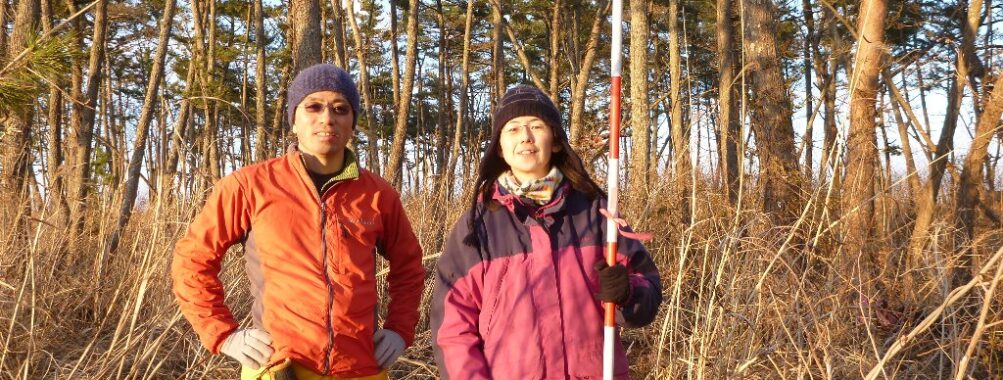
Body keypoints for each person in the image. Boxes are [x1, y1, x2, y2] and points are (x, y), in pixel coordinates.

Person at [172, 63, 426, 380]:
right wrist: (223, 334)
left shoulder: (378, 194)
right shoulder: (249, 187)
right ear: (294, 119)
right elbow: (193, 260)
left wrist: (399, 330)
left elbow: (410, 267)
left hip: (360, 367)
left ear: (352, 122)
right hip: (278, 365)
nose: (327, 118)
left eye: (340, 109)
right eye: (313, 107)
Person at [430, 85, 662, 379]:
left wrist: (628, 293)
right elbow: (453, 328)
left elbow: (648, 292)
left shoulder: (596, 212)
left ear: (554, 141)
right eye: (513, 129)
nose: (525, 136)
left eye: (536, 126)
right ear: (500, 148)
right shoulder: (477, 226)